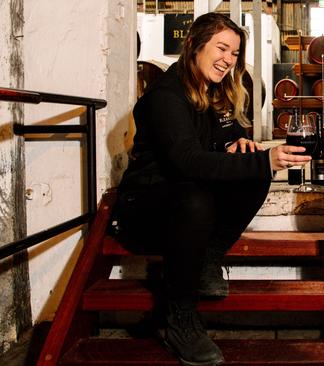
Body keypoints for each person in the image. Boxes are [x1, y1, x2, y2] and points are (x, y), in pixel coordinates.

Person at [112, 12, 310, 366]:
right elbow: (187, 161)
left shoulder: (215, 91)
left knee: (250, 171)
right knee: (199, 194)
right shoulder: (166, 96)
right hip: (144, 206)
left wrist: (240, 143)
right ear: (193, 45)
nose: (228, 60)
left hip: (188, 204)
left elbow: (225, 134)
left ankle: (207, 257)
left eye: (234, 53)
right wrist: (265, 160)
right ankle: (180, 317)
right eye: (221, 48)